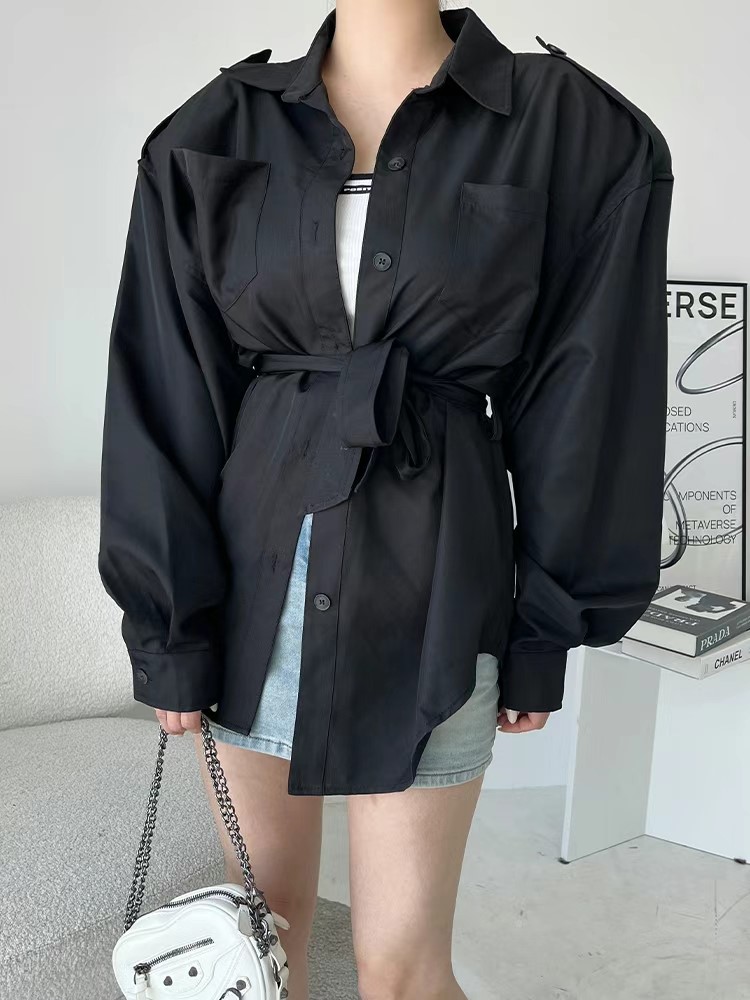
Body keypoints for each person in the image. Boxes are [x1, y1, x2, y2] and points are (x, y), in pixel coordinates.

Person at [98, 1, 674, 996]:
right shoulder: (211, 129)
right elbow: (164, 397)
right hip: (252, 596)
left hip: (436, 595)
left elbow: (588, 400)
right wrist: (169, 629)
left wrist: (545, 629)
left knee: (401, 968)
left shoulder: (574, 129)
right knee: (259, 946)